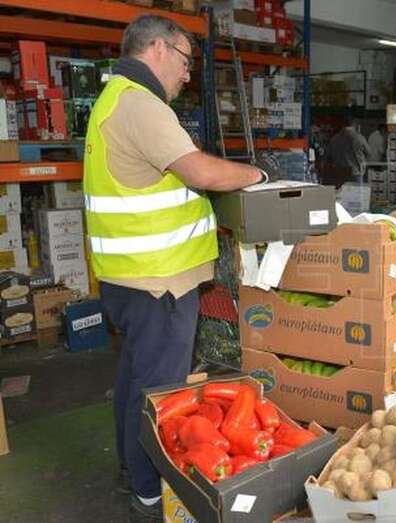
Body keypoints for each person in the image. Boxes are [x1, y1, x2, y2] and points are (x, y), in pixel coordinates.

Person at [82, 15, 264, 521]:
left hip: (128, 277)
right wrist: (259, 173)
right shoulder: (141, 105)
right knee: (160, 392)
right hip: (158, 281)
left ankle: (128, 469)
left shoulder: (113, 98)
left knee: (135, 380)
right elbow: (201, 170)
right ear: (158, 48)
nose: (188, 74)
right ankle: (147, 488)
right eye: (185, 61)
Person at [322, 118, 371, 185]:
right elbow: (369, 152)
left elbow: (328, 155)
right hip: (355, 173)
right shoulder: (359, 137)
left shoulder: (334, 138)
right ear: (356, 126)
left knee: (341, 194)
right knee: (357, 194)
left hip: (340, 172)